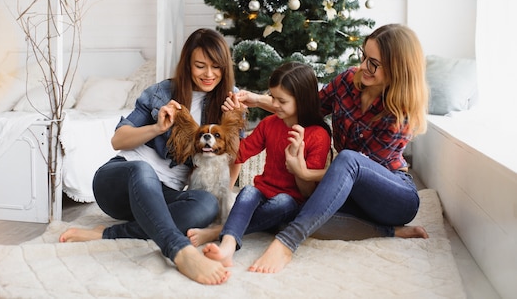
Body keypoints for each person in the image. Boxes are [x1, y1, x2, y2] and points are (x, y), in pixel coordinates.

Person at [221, 23, 429, 273]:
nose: (363, 66)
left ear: (398, 69)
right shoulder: (348, 83)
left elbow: (360, 169)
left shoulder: (400, 115)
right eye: (363, 56)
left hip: (393, 196)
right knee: (297, 210)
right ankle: (390, 232)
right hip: (350, 195)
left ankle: (286, 244)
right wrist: (256, 99)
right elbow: (306, 108)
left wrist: (306, 174)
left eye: (373, 63)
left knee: (348, 160)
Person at [59, 28, 237, 285]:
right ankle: (180, 251)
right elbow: (117, 140)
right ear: (187, 64)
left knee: (207, 205)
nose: (209, 74)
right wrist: (157, 128)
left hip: (165, 195)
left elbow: (234, 155)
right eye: (200, 66)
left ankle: (107, 234)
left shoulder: (228, 100)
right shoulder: (162, 93)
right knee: (144, 169)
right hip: (122, 180)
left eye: (216, 67)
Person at [199, 62, 332, 267]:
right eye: (272, 97)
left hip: (289, 205)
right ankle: (227, 246)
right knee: (249, 191)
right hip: (263, 196)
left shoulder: (318, 135)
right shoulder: (270, 124)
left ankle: (220, 230)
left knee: (284, 202)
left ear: (302, 101)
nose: (274, 104)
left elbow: (307, 193)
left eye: (281, 100)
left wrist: (296, 162)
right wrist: (232, 121)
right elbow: (239, 155)